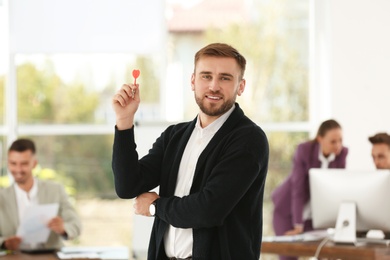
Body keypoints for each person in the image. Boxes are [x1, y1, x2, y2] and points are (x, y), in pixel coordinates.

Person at [111, 43, 269, 260]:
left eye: (225, 78)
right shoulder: (174, 136)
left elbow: (208, 209)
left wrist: (156, 206)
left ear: (240, 86)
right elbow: (128, 186)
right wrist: (124, 121)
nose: (214, 86)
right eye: (206, 76)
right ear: (193, 81)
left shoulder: (249, 139)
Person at [271, 119, 348, 260]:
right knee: (289, 255)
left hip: (315, 216)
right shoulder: (305, 150)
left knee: (325, 253)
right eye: (333, 141)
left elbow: (338, 188)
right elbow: (298, 188)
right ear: (320, 139)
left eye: (340, 140)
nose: (338, 145)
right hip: (288, 212)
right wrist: (298, 224)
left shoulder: (341, 154)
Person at [0, 138, 82, 251]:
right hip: (16, 256)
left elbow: (76, 224)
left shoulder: (55, 190)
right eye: (13, 163)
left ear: (34, 163)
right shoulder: (2, 197)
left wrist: (63, 228)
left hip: (50, 255)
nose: (18, 169)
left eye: (24, 164)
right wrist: (4, 243)